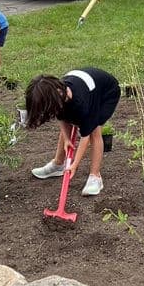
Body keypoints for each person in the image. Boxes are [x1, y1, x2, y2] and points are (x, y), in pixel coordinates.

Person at [25, 68, 121, 197]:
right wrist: (66, 139)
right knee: (67, 122)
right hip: (85, 86)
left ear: (58, 93)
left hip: (106, 93)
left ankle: (95, 177)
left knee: (94, 130)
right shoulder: (56, 95)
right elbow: (61, 117)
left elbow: (85, 137)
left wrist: (74, 164)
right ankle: (58, 164)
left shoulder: (81, 104)